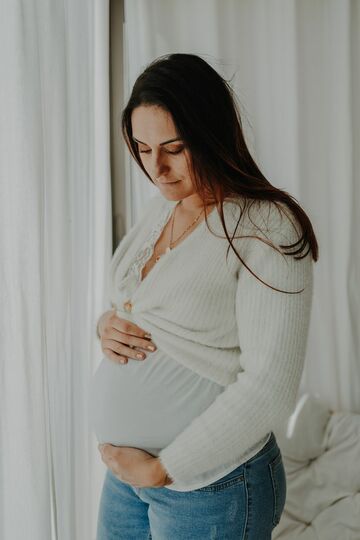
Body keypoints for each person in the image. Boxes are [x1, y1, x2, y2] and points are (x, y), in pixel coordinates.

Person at [90, 53, 318, 539]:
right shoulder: (162, 208)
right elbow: (149, 306)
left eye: (174, 147)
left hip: (212, 483)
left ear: (212, 134)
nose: (158, 168)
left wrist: (164, 468)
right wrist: (106, 325)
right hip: (127, 480)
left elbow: (270, 388)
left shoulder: (266, 227)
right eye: (143, 147)